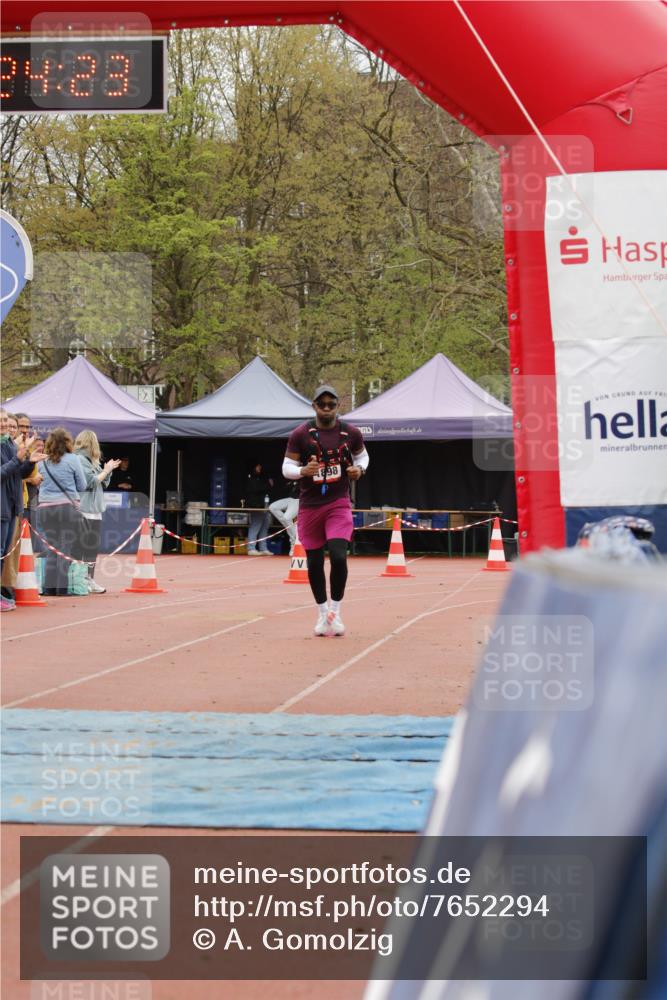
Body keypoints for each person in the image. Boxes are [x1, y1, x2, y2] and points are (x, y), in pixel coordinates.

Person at [283, 385, 369, 636]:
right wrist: (302, 471)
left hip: (338, 502)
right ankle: (322, 614)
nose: (327, 408)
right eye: (323, 404)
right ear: (314, 406)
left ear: (337, 406)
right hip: (309, 506)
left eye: (332, 404)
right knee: (315, 562)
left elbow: (363, 457)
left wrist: (359, 470)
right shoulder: (301, 434)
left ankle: (336, 611)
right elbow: (286, 466)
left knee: (339, 556)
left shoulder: (350, 433)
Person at [0, 408, 45, 611]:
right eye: (1, 421)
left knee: (3, 552)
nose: (3, 425)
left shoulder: (9, 444)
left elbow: (17, 473)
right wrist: (18, 459)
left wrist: (29, 462)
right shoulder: (10, 446)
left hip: (12, 506)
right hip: (2, 506)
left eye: (5, 421)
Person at [37, 428, 87, 596]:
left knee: (51, 547)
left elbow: (38, 483)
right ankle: (62, 588)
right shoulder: (73, 459)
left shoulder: (41, 462)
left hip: (44, 508)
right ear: (68, 443)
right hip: (67, 507)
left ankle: (48, 587)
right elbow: (82, 486)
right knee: (65, 547)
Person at [73, 430, 121, 594]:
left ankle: (88, 578)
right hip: (85, 508)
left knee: (91, 547)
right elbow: (90, 482)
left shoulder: (92, 461)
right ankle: (80, 579)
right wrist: (105, 471)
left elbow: (103, 482)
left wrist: (108, 470)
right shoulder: (80, 459)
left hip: (95, 509)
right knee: (83, 545)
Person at [243, 462, 274, 555]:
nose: (260, 468)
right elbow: (257, 489)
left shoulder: (260, 477)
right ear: (253, 467)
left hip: (263, 505)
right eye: (258, 466)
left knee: (265, 525)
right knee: (255, 525)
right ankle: (251, 548)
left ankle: (263, 548)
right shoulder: (250, 478)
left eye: (260, 466)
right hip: (255, 506)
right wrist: (268, 485)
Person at [269, 483, 300, 554]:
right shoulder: (292, 477)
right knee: (272, 507)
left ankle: (294, 542)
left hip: (298, 500)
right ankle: (294, 534)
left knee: (286, 518)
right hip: (290, 498)